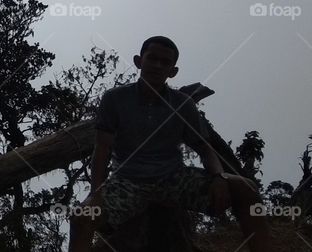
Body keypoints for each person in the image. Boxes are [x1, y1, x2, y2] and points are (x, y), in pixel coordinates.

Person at [68, 35, 272, 251]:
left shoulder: (183, 104)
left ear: (173, 71)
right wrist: (96, 194)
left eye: (165, 62)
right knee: (82, 217)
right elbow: (102, 149)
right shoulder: (114, 98)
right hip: (128, 181)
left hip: (174, 179)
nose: (157, 65)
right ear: (139, 61)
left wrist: (218, 177)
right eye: (152, 58)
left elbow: (204, 148)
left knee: (246, 189)